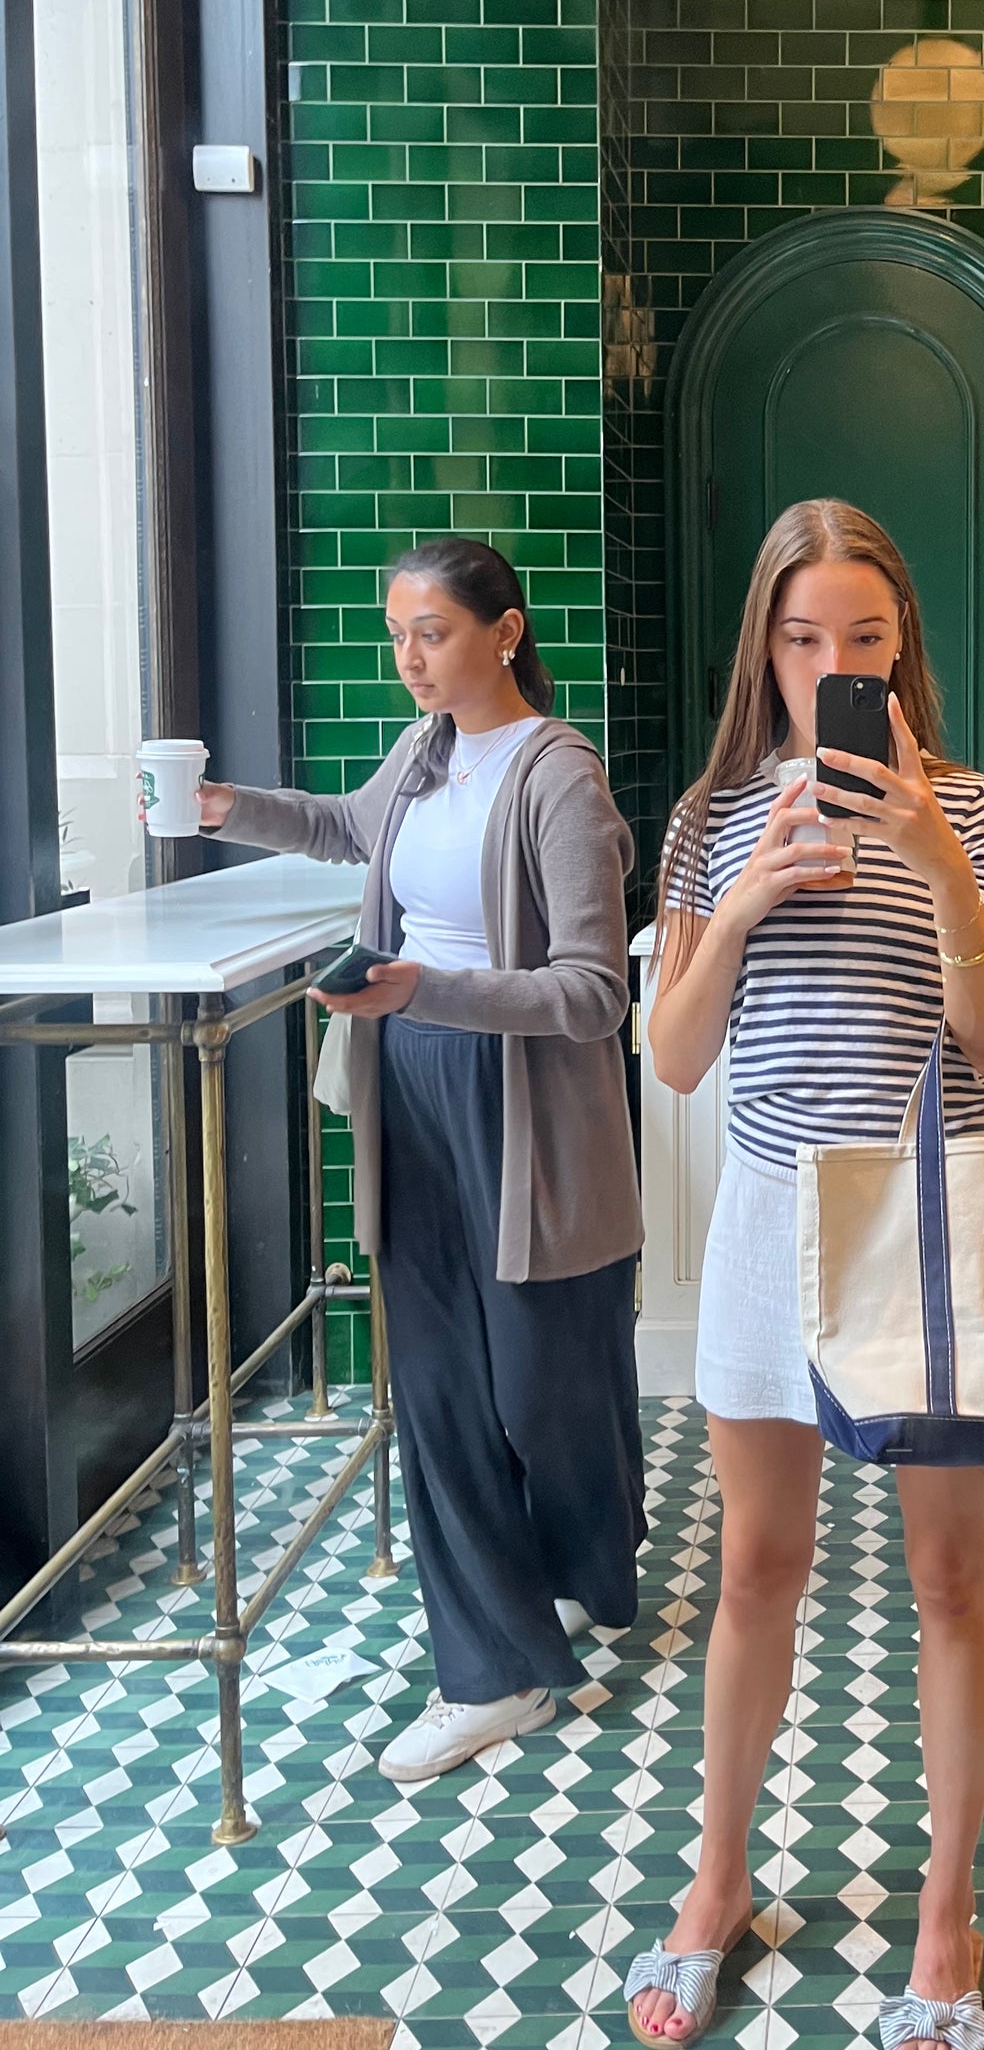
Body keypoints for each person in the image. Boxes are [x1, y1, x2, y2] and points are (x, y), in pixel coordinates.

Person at [624, 499, 984, 2050]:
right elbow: (671, 1050)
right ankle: (716, 1875)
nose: (832, 663)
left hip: (928, 1215)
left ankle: (946, 1914)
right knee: (754, 1571)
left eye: (863, 637)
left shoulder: (977, 804)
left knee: (946, 1577)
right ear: (766, 651)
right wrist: (735, 904)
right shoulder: (709, 814)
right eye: (804, 639)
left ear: (899, 645)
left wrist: (928, 852)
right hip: (767, 1219)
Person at [195, 539, 646, 1780]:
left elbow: (595, 995)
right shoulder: (427, 754)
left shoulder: (558, 779)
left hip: (521, 1101)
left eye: (432, 632)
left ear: (504, 634)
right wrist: (225, 810)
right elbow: (347, 825)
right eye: (398, 634)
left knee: (541, 1385)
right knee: (441, 1383)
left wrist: (422, 988)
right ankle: (492, 1669)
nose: (409, 659)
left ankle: (579, 1568)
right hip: (411, 1086)